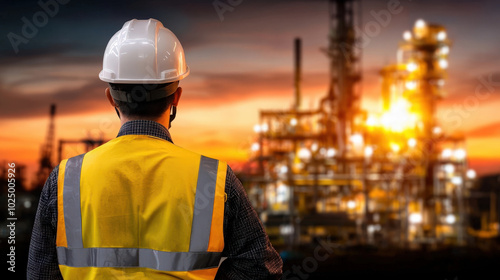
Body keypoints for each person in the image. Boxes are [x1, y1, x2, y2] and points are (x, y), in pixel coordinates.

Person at [27, 18, 282, 279]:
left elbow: (40, 274)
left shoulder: (66, 179)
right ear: (176, 96)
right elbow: (262, 267)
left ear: (110, 97)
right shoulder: (215, 179)